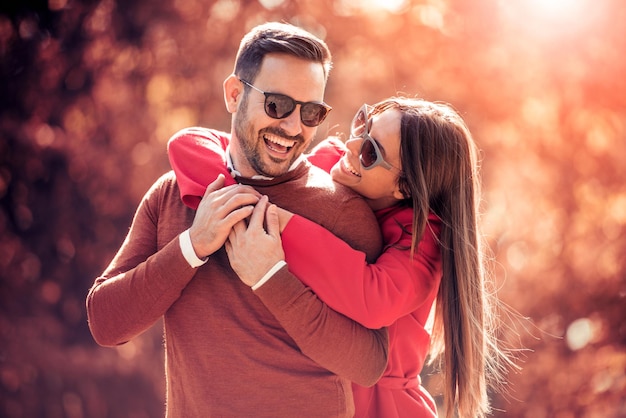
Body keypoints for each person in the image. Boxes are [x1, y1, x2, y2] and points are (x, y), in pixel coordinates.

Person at [86, 22, 390, 418]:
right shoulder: (172, 194)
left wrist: (270, 277)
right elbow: (105, 322)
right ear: (234, 94)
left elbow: (369, 365)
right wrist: (191, 247)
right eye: (277, 105)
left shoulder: (343, 212)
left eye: (312, 112)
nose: (294, 128)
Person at [167, 97, 512, 417]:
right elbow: (189, 145)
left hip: (381, 408)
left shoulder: (423, 243)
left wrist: (269, 216)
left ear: (404, 188)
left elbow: (372, 298)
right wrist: (238, 200)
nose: (351, 144)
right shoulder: (333, 161)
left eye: (370, 152)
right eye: (363, 125)